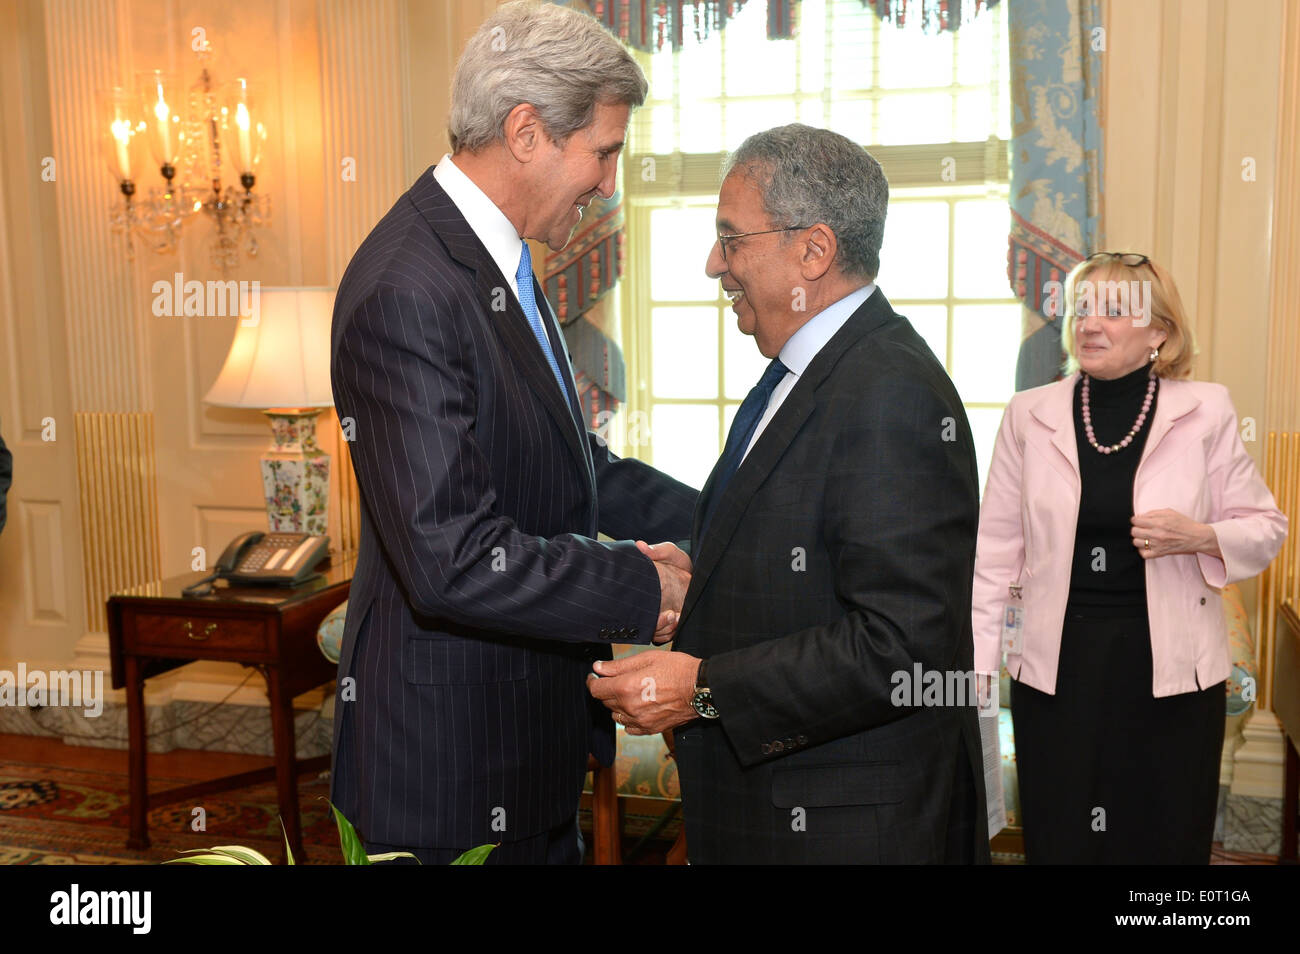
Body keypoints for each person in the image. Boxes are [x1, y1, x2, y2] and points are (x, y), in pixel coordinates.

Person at [329, 0, 697, 865]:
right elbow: (451, 553)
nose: (610, 182)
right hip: (446, 772)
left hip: (522, 749)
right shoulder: (409, 288)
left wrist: (734, 519)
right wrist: (646, 589)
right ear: (527, 131)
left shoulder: (498, 262)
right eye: (604, 151)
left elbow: (573, 469)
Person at [588, 124, 990, 864]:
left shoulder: (890, 392)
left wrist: (703, 689)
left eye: (731, 239)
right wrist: (708, 566)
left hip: (849, 830)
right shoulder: (806, 372)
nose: (715, 264)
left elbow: (901, 648)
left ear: (814, 250)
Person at [970, 252, 1287, 863]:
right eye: (1083, 307)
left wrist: (1200, 536)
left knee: (1162, 839)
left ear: (1159, 334)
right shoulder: (1028, 415)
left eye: (1116, 311)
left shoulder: (1207, 411)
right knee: (1063, 835)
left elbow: (1265, 528)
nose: (1091, 323)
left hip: (1170, 670)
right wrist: (981, 670)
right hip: (1058, 671)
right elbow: (995, 554)